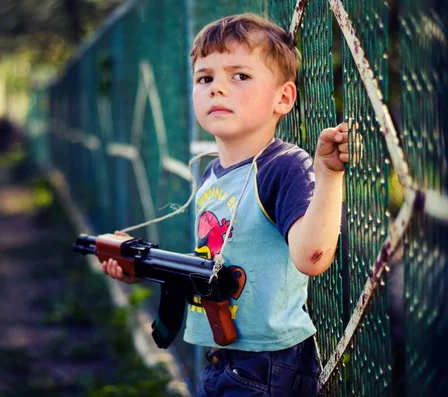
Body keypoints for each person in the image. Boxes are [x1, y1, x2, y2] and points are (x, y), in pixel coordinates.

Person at [102, 13, 360, 396]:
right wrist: (141, 267)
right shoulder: (211, 177)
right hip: (221, 356)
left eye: (239, 76)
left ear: (283, 98)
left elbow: (312, 258)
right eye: (205, 78)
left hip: (268, 363)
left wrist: (328, 174)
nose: (217, 89)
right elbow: (210, 264)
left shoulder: (284, 166)